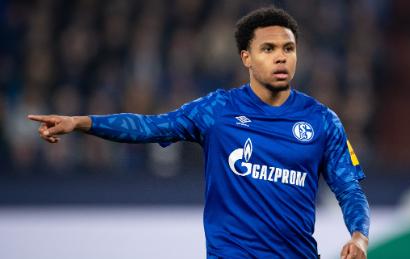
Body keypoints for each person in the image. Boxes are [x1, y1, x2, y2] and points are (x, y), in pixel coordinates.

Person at [28, 7, 370, 259]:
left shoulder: (323, 121)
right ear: (246, 57)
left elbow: (349, 189)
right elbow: (149, 126)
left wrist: (359, 238)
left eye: (288, 49)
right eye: (269, 49)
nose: (281, 58)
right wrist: (82, 122)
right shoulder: (217, 111)